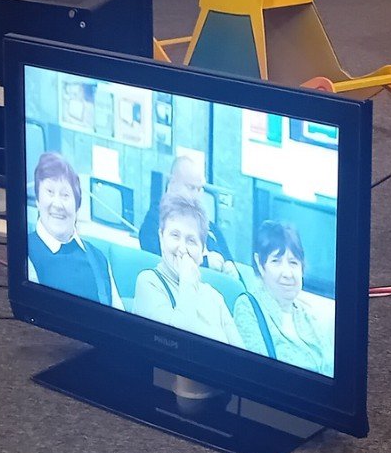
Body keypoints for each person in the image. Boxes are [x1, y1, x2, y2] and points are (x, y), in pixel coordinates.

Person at [129, 197, 243, 345]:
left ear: (203, 250)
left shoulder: (215, 298)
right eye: (175, 235)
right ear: (161, 238)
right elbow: (176, 342)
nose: (182, 248)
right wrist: (188, 281)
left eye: (191, 241)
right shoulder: (148, 282)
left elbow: (239, 352)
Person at [232, 220, 333, 375]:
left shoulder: (307, 314)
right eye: (276, 261)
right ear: (260, 264)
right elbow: (261, 373)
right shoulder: (248, 306)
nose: (287, 273)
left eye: (293, 262)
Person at [26, 152, 120, 306]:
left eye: (65, 195)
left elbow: (117, 315)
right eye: (50, 192)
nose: (57, 204)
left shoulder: (99, 259)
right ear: (37, 200)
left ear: (77, 205)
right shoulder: (24, 250)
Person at [138, 153, 235, 269]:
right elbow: (162, 263)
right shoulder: (154, 222)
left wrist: (231, 269)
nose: (197, 196)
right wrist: (205, 263)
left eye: (199, 189)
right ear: (172, 184)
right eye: (191, 188)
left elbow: (234, 269)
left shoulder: (211, 229)